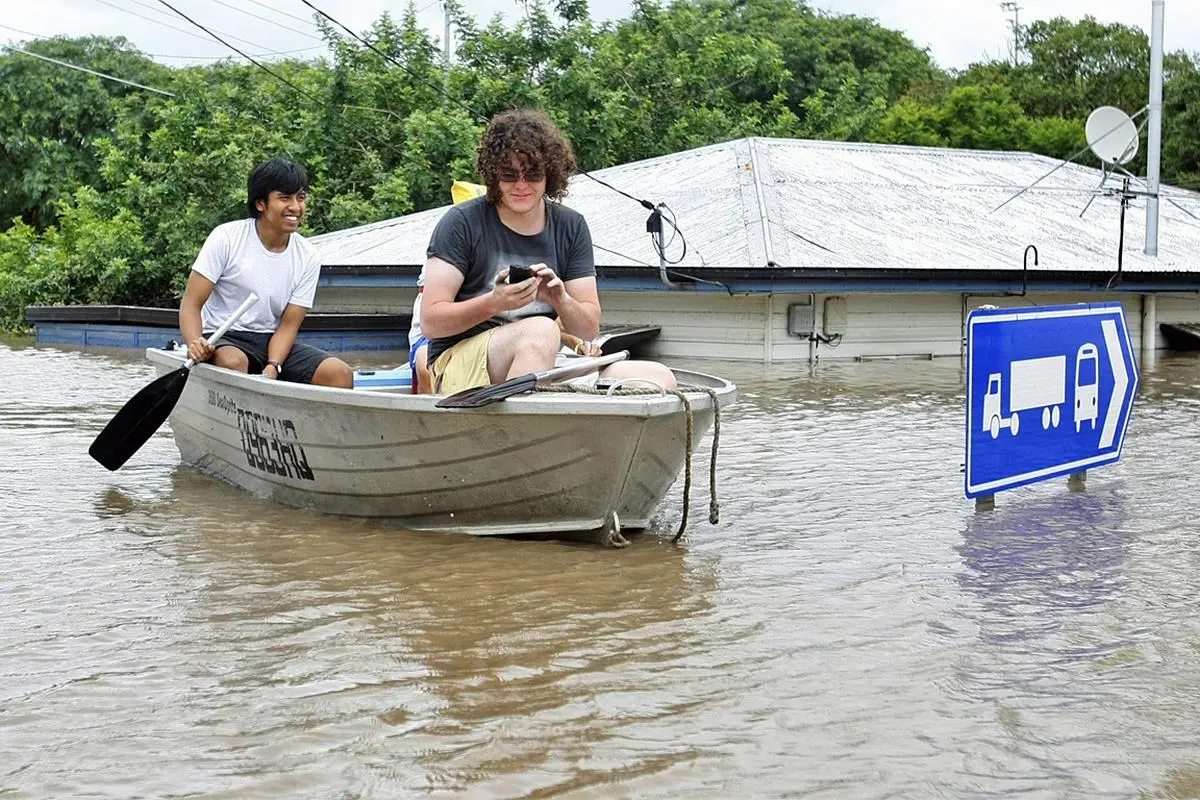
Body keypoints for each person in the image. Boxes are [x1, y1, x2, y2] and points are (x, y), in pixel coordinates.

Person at [420, 108, 676, 395]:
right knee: (541, 331)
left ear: (550, 175)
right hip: (460, 362)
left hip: (544, 358)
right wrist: (494, 302)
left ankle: (574, 435)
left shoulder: (571, 226)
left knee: (658, 377)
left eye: (532, 174)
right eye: (509, 174)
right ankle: (513, 436)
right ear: (493, 174)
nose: (520, 185)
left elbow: (587, 331)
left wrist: (560, 298)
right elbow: (432, 323)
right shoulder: (461, 222)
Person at [179, 158, 354, 389]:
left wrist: (273, 366)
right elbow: (191, 303)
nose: (295, 207)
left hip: (271, 341)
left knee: (339, 374)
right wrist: (195, 342)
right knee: (233, 362)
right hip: (224, 337)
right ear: (261, 203)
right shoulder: (227, 238)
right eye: (285, 198)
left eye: (300, 198)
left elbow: (289, 325)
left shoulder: (308, 255)